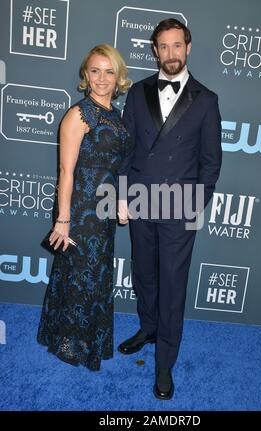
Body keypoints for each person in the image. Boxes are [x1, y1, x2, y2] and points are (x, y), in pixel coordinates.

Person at [117, 19, 222, 399]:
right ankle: (147, 328)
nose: (171, 54)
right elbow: (125, 152)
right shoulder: (138, 92)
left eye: (177, 46)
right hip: (141, 201)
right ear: (155, 50)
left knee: (173, 286)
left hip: (179, 207)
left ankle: (164, 364)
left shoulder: (206, 100)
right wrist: (123, 197)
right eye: (164, 47)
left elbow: (210, 163)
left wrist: (193, 206)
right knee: (144, 273)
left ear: (188, 48)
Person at [37, 44, 133, 371]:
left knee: (95, 274)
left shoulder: (115, 116)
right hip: (80, 209)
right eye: (95, 70)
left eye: (109, 71)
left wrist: (120, 201)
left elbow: (118, 166)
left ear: (118, 76)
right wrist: (62, 221)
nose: (102, 78)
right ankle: (71, 343)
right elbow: (65, 171)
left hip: (104, 210)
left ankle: (84, 338)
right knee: (83, 274)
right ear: (85, 75)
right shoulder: (79, 114)